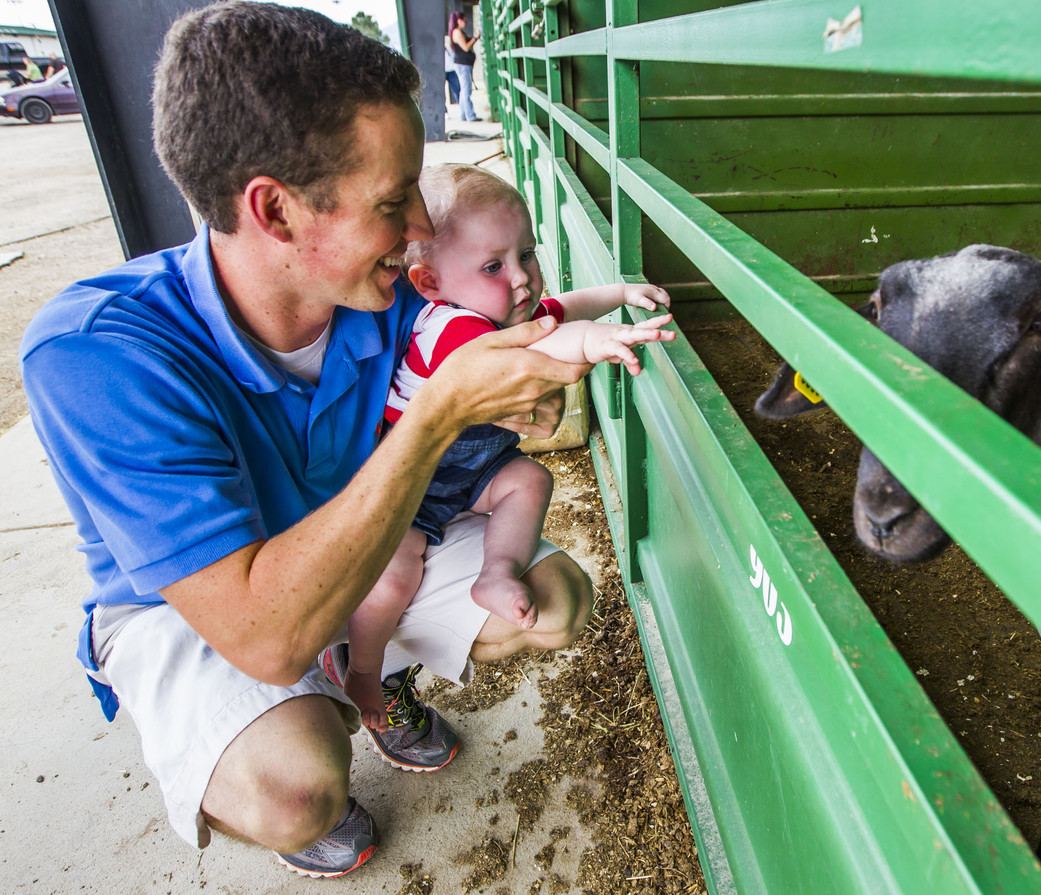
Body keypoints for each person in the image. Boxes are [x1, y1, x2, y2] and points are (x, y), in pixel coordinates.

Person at [19, 1, 594, 880]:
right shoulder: (99, 353)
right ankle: (303, 730)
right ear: (276, 213)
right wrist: (442, 410)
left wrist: (525, 401)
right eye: (393, 201)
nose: (417, 234)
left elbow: (511, 378)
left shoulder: (389, 293)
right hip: (200, 602)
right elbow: (263, 632)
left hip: (352, 538)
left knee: (553, 601)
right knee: (296, 784)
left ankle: (376, 676)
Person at [337, 164, 673, 728]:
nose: (522, 279)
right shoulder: (451, 327)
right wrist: (599, 341)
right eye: (493, 265)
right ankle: (365, 671)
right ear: (429, 284)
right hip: (407, 489)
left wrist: (619, 295)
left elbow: (564, 308)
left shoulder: (507, 308)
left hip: (472, 473)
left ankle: (497, 570)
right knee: (394, 576)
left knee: (531, 479)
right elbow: (543, 349)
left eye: (528, 254)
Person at [448, 10, 480, 122]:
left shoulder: (458, 31)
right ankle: (471, 116)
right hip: (463, 64)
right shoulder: (456, 32)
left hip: (463, 64)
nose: (465, 22)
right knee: (466, 90)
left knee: (463, 90)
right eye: (464, 20)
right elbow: (466, 47)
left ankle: (464, 115)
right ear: (459, 20)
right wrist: (475, 38)